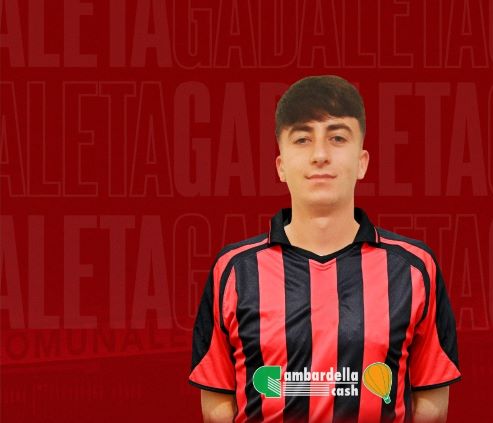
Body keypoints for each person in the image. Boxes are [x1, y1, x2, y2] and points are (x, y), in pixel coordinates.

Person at [189, 75, 461, 423]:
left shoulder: (413, 269)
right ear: (281, 166)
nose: (320, 155)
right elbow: (218, 404)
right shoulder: (235, 271)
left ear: (362, 161)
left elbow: (431, 403)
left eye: (337, 138)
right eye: (303, 139)